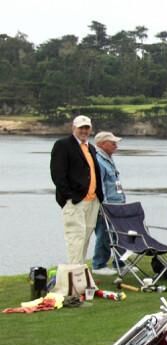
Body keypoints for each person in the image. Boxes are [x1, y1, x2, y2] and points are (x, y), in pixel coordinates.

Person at [49, 115, 106, 265]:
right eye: (81, 128)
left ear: (90, 129)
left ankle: (80, 271)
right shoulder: (62, 145)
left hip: (93, 201)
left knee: (85, 238)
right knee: (76, 238)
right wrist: (69, 196)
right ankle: (74, 273)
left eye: (87, 128)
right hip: (75, 201)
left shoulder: (91, 148)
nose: (84, 131)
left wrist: (99, 197)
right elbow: (57, 174)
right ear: (73, 128)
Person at [90, 131, 126, 274]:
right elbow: (100, 186)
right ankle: (99, 265)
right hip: (107, 206)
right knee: (105, 234)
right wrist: (103, 206)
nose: (116, 146)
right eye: (113, 143)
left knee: (120, 234)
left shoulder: (108, 159)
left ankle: (120, 263)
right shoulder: (98, 160)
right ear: (102, 144)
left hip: (117, 205)